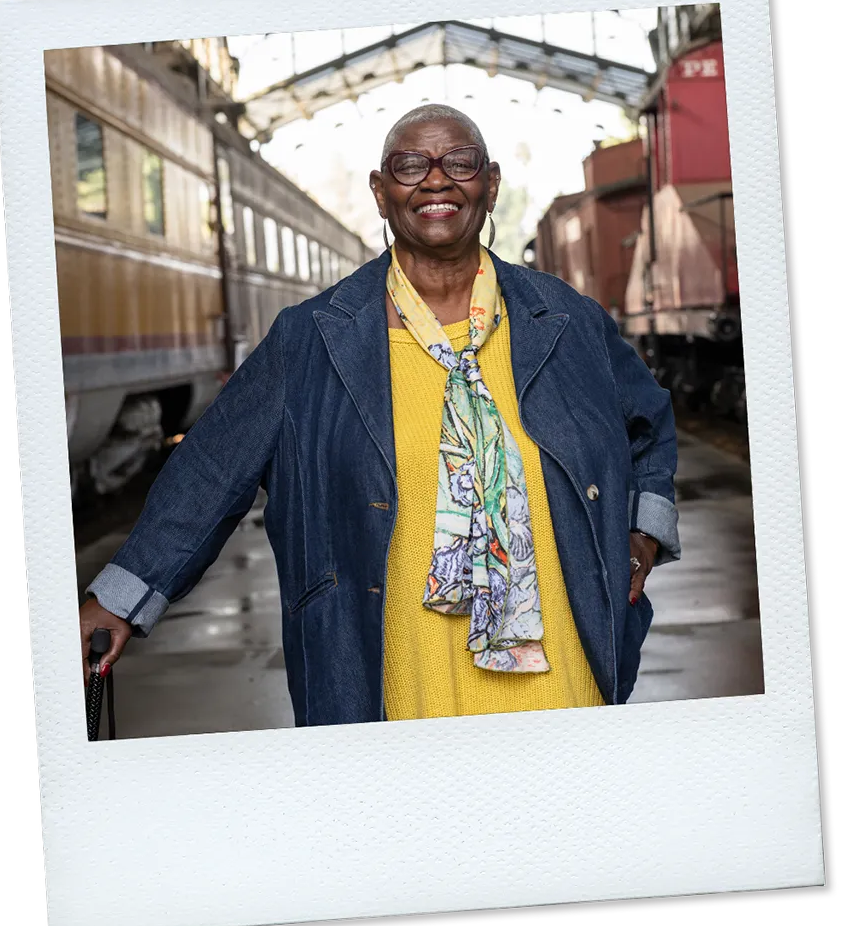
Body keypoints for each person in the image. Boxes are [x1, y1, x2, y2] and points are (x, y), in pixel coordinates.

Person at [78, 104, 680, 727]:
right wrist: (120, 598)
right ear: (380, 191)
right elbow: (209, 471)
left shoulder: (566, 320)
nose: (437, 180)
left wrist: (644, 530)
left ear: (491, 183)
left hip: (562, 677)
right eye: (411, 165)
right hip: (390, 678)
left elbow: (650, 423)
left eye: (460, 163)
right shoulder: (310, 339)